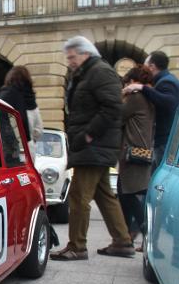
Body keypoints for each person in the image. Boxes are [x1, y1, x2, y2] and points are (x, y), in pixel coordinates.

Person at [49, 36, 135, 261]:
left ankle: (77, 246)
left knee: (78, 197)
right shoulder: (89, 73)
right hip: (95, 145)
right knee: (104, 194)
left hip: (94, 146)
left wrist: (88, 135)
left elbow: (112, 107)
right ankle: (123, 242)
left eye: (72, 56)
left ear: (85, 53)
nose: (70, 61)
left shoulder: (99, 72)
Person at [117, 66, 155, 250]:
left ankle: (146, 233)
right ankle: (126, 238)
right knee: (126, 194)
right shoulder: (148, 97)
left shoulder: (135, 97)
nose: (125, 86)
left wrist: (123, 95)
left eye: (126, 83)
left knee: (128, 194)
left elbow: (119, 116)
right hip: (141, 151)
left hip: (132, 153)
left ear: (133, 82)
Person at [123, 51, 179, 168]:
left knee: (160, 180)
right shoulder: (165, 80)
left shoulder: (166, 82)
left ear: (152, 67)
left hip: (165, 140)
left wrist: (142, 87)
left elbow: (169, 103)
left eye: (145, 66)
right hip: (165, 140)